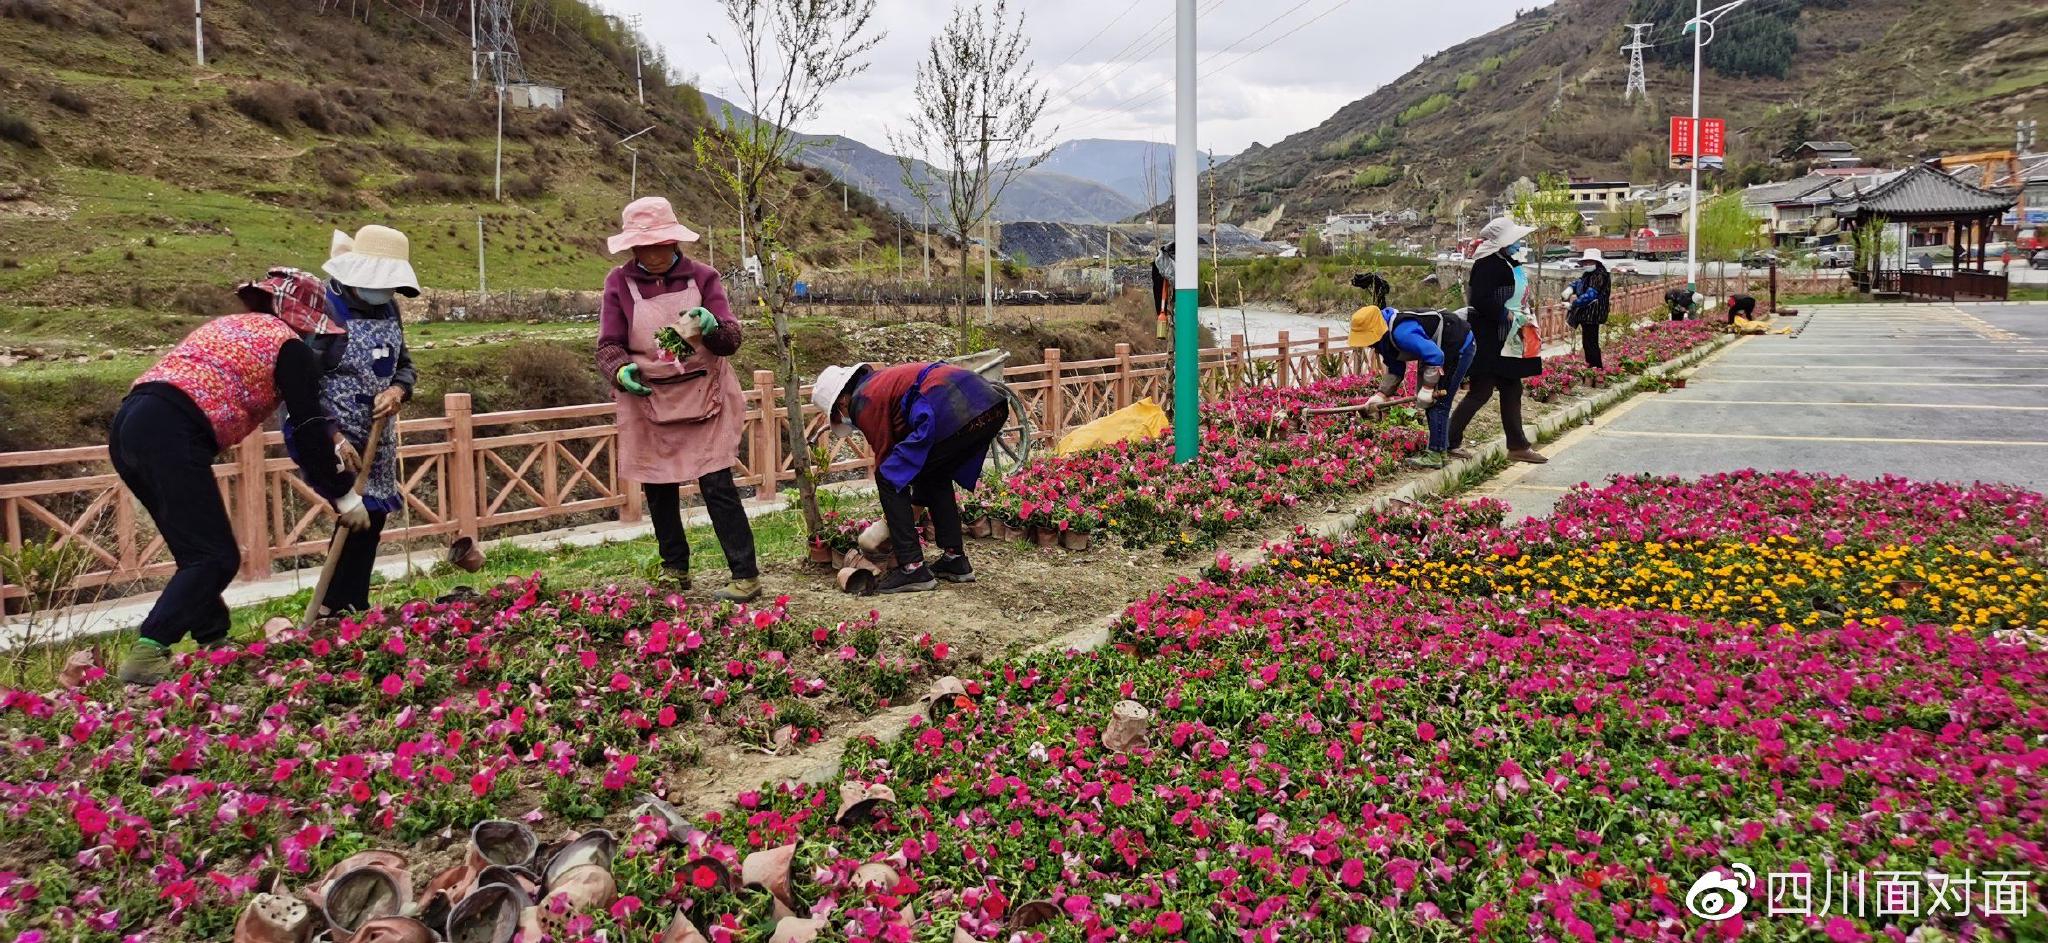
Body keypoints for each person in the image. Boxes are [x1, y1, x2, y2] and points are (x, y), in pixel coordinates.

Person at [111, 269, 364, 685]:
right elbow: (307, 425)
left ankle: (214, 638)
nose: (317, 339)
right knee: (216, 557)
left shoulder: (232, 325)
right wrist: (343, 495)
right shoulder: (289, 347)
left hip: (130, 423)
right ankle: (149, 650)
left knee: (195, 551)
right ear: (300, 317)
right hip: (173, 429)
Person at [597, 197, 760, 602]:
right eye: (643, 247)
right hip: (649, 397)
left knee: (717, 482)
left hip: (705, 393)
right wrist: (620, 370)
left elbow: (730, 340)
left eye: (660, 245)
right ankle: (675, 570)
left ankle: (745, 574)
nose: (652, 255)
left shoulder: (703, 277)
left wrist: (712, 325)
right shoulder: (618, 283)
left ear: (674, 241)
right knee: (658, 485)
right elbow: (608, 345)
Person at [288, 225, 421, 617]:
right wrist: (332, 436)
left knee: (373, 518)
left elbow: (405, 367)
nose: (387, 294)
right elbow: (302, 388)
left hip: (378, 433)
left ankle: (351, 605)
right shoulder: (325, 311)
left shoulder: (390, 309)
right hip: (333, 432)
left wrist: (398, 390)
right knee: (351, 516)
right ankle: (332, 606)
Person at [811, 361, 1008, 594]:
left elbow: (887, 460)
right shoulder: (879, 383)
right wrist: (911, 506)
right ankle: (955, 560)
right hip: (988, 403)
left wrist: (887, 525)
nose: (843, 417)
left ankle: (913, 567)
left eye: (837, 413)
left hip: (955, 409)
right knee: (934, 473)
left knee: (887, 476)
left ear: (842, 401)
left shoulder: (864, 400)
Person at [1348, 273, 1475, 469]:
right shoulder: (1384, 340)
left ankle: (1435, 454)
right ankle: (1439, 451)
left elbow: (1435, 356)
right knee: (1432, 400)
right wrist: (1381, 395)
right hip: (1437, 348)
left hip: (1457, 345)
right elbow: (1396, 368)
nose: (1368, 345)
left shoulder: (1402, 332)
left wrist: (1427, 388)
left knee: (1438, 401)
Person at [1447, 217, 1547, 465]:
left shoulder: (1505, 262)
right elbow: (1480, 300)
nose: (1518, 243)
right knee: (1482, 391)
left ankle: (1517, 445)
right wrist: (1507, 314)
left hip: (1509, 337)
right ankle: (1449, 440)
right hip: (1493, 339)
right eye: (1515, 239)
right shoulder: (1488, 264)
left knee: (1510, 389)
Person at [1564, 248, 1610, 369]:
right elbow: (1579, 282)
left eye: (1590, 262)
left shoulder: (1600, 275)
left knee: (1591, 344)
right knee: (1587, 343)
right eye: (1586, 262)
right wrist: (1570, 288)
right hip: (1587, 314)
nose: (1587, 264)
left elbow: (1590, 295)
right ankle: (1592, 368)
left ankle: (1596, 369)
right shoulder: (1588, 274)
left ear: (1596, 262)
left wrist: (1573, 305)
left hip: (1593, 314)